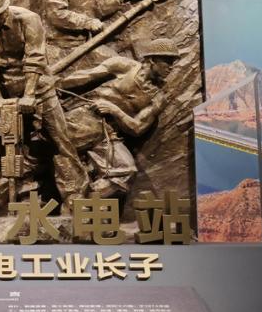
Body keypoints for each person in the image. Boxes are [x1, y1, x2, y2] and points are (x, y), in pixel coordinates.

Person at [0, 0, 89, 205]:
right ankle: (13, 195)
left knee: (61, 139)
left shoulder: (27, 19)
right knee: (10, 146)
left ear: (5, 10)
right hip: (6, 91)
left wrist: (30, 94)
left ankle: (75, 194)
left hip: (39, 87)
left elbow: (34, 58)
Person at [60, 39, 180, 196]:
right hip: (83, 118)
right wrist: (56, 82)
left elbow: (137, 128)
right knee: (61, 152)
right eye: (167, 61)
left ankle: (87, 200)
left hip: (107, 133)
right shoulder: (124, 66)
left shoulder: (159, 97)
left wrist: (114, 110)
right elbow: (86, 76)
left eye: (173, 62)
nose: (171, 67)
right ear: (152, 60)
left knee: (127, 171)